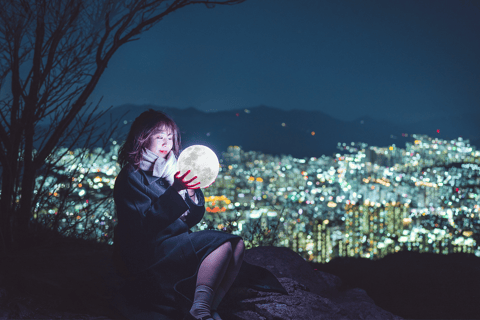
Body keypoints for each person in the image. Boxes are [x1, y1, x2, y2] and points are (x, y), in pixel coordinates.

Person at [112, 109, 245, 320]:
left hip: (173, 242)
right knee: (222, 242)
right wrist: (175, 191)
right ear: (143, 139)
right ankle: (199, 310)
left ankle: (209, 306)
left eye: (170, 137)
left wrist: (190, 191)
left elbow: (190, 219)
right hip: (149, 250)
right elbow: (143, 228)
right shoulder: (132, 176)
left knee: (237, 245)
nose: (166, 143)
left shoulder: (171, 169)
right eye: (159, 137)